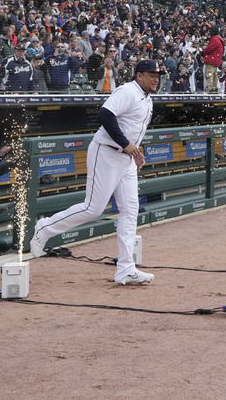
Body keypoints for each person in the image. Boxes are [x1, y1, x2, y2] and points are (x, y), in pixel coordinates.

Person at [30, 60, 160, 286]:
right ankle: (45, 228)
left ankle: (126, 269)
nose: (156, 78)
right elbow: (105, 115)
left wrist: (135, 152)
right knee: (94, 208)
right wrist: (125, 143)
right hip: (106, 152)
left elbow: (131, 129)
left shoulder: (148, 99)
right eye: (151, 74)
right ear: (139, 76)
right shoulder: (128, 91)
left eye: (158, 74)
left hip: (126, 159)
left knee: (130, 211)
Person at [201, 26, 224, 93]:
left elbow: (209, 49)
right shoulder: (218, 39)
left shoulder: (214, 39)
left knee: (209, 74)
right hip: (216, 60)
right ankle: (214, 88)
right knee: (214, 75)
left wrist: (203, 52)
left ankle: (209, 88)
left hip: (211, 59)